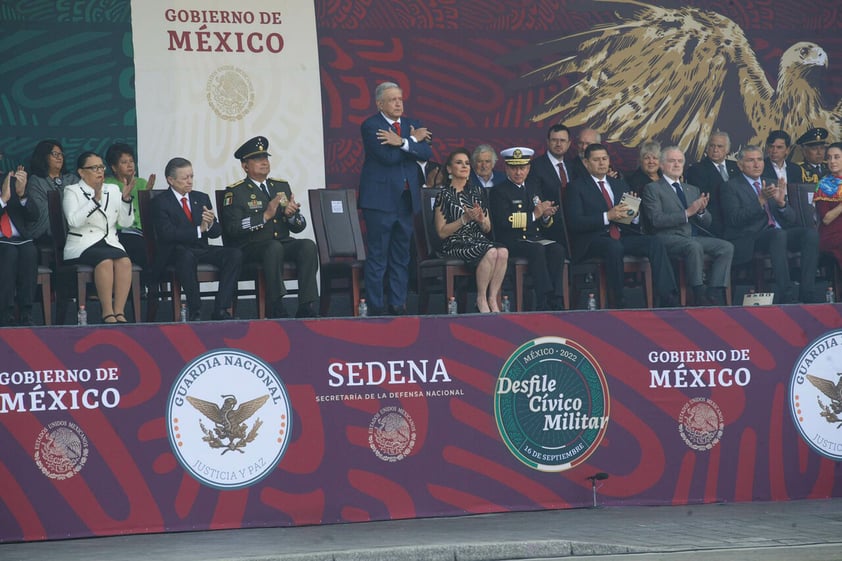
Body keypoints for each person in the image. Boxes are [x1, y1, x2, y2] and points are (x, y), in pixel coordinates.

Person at [564, 143, 678, 308]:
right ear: (586, 163)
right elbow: (575, 222)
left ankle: (668, 296)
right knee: (613, 246)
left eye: (604, 159)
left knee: (654, 242)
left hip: (620, 234)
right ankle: (618, 299)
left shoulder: (618, 184)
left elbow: (629, 220)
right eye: (596, 160)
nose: (602, 163)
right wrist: (607, 216)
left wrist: (634, 215)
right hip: (592, 240)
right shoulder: (576, 187)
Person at [221, 136, 319, 319]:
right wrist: (264, 216)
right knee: (273, 248)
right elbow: (232, 228)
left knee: (307, 245)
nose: (264, 162)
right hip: (252, 246)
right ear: (245, 166)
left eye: (265, 158)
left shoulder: (281, 186)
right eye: (257, 159)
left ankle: (306, 304)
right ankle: (276, 304)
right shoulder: (236, 192)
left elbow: (299, 226)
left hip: (281, 241)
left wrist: (291, 216)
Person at [359, 81, 432, 315]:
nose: (399, 103)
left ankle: (398, 304)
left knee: (401, 256)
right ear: (380, 103)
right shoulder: (372, 125)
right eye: (392, 99)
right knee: (379, 256)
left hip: (406, 200)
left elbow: (427, 153)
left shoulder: (413, 125)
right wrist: (412, 143)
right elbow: (387, 157)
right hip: (380, 201)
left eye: (400, 98)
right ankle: (376, 306)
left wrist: (402, 142)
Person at [720, 145, 819, 304]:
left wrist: (781, 205)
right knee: (777, 235)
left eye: (759, 159)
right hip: (751, 237)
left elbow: (791, 219)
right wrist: (760, 201)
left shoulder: (772, 183)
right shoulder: (731, 187)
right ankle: (786, 295)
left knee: (810, 234)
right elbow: (735, 219)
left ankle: (808, 293)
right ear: (740, 165)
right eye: (750, 160)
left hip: (779, 233)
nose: (757, 164)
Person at [149, 157, 243, 321]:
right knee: (185, 256)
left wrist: (211, 222)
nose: (190, 181)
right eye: (185, 178)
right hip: (175, 252)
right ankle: (195, 310)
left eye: (191, 176)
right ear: (170, 180)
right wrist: (199, 230)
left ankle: (221, 309)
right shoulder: (160, 202)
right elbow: (167, 234)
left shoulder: (201, 198)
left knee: (234, 254)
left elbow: (215, 232)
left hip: (201, 248)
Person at [640, 147, 734, 306]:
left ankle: (714, 291)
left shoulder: (692, 189)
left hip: (691, 236)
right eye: (671, 161)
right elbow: (656, 220)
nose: (676, 164)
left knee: (726, 247)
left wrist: (701, 211)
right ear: (662, 165)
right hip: (666, 238)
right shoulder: (653, 188)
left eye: (680, 161)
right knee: (693, 246)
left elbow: (707, 222)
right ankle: (698, 292)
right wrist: (687, 212)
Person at [490, 147, 567, 311]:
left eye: (522, 168)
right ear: (506, 169)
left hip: (534, 237)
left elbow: (542, 223)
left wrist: (545, 215)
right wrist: (534, 215)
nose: (518, 172)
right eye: (514, 168)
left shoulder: (533, 188)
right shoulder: (499, 191)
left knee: (557, 249)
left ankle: (557, 298)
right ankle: (543, 298)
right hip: (512, 240)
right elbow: (503, 221)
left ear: (528, 168)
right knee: (537, 249)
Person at [63, 152, 135, 323]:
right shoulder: (72, 191)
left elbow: (125, 222)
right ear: (81, 172)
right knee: (105, 261)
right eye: (93, 168)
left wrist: (125, 200)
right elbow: (73, 221)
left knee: (125, 261)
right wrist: (94, 201)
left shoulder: (112, 189)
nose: (99, 171)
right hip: (82, 244)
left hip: (109, 241)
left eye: (101, 167)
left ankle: (119, 311)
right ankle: (107, 311)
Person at [434, 148, 508, 313]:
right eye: (459, 163)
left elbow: (487, 227)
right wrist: (464, 220)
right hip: (455, 243)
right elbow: (441, 232)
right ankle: (481, 298)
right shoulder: (444, 195)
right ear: (449, 169)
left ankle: (492, 298)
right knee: (490, 252)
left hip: (477, 239)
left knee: (502, 252)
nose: (464, 166)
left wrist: (481, 220)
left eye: (467, 163)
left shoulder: (477, 192)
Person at [104, 143, 154, 267]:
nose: (130, 164)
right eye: (124, 162)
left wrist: (148, 195)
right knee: (141, 250)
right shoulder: (108, 185)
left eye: (131, 161)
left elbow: (150, 212)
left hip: (142, 232)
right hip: (121, 232)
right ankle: (141, 285)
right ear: (114, 167)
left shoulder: (142, 182)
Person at [0, 166, 39, 326]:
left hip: (18, 239)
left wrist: (22, 195)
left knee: (29, 251)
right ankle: (5, 313)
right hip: (3, 243)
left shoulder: (11, 181)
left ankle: (26, 312)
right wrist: (3, 200)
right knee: (9, 253)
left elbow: (34, 216)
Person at [527, 123, 574, 249]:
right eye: (554, 140)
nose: (558, 144)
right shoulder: (535, 166)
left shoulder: (574, 166)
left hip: (574, 224)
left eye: (562, 140)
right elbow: (534, 196)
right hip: (550, 225)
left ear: (569, 143)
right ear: (547, 142)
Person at [684, 131, 740, 234]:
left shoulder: (736, 166)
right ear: (707, 148)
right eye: (712, 146)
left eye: (720, 146)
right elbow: (705, 197)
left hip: (739, 215)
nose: (715, 150)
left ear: (727, 149)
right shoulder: (697, 169)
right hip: (717, 219)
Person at [27, 140, 79, 244]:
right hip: (46, 233)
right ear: (43, 156)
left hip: (74, 233)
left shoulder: (72, 179)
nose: (59, 157)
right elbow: (38, 209)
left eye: (61, 154)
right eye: (55, 154)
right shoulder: (36, 180)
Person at [814, 142, 842, 267]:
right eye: (829, 157)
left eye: (836, 157)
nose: (832, 161)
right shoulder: (824, 185)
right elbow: (826, 219)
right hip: (831, 233)